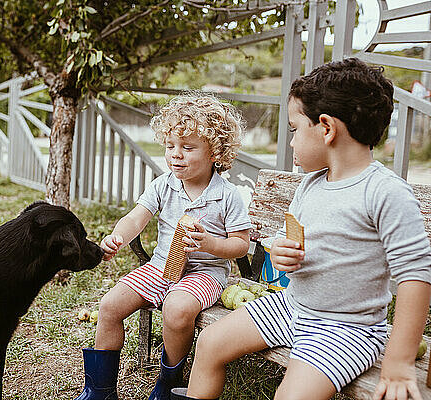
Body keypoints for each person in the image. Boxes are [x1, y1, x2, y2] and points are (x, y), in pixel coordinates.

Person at [170, 58, 431, 400]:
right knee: (210, 342)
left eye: (294, 130)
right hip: (292, 306)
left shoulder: (384, 192)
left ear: (326, 128)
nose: (291, 143)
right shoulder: (310, 185)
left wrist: (399, 360)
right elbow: (285, 240)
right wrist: (280, 252)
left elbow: (416, 276)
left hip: (344, 328)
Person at [73, 94, 252, 400]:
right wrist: (118, 237)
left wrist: (210, 243)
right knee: (109, 307)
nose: (176, 155)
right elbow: (136, 217)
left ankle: (168, 385)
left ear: (215, 152)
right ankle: (100, 390)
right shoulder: (163, 184)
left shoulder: (227, 195)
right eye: (170, 146)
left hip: (204, 273)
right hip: (160, 267)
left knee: (177, 308)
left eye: (188, 147)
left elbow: (240, 245)